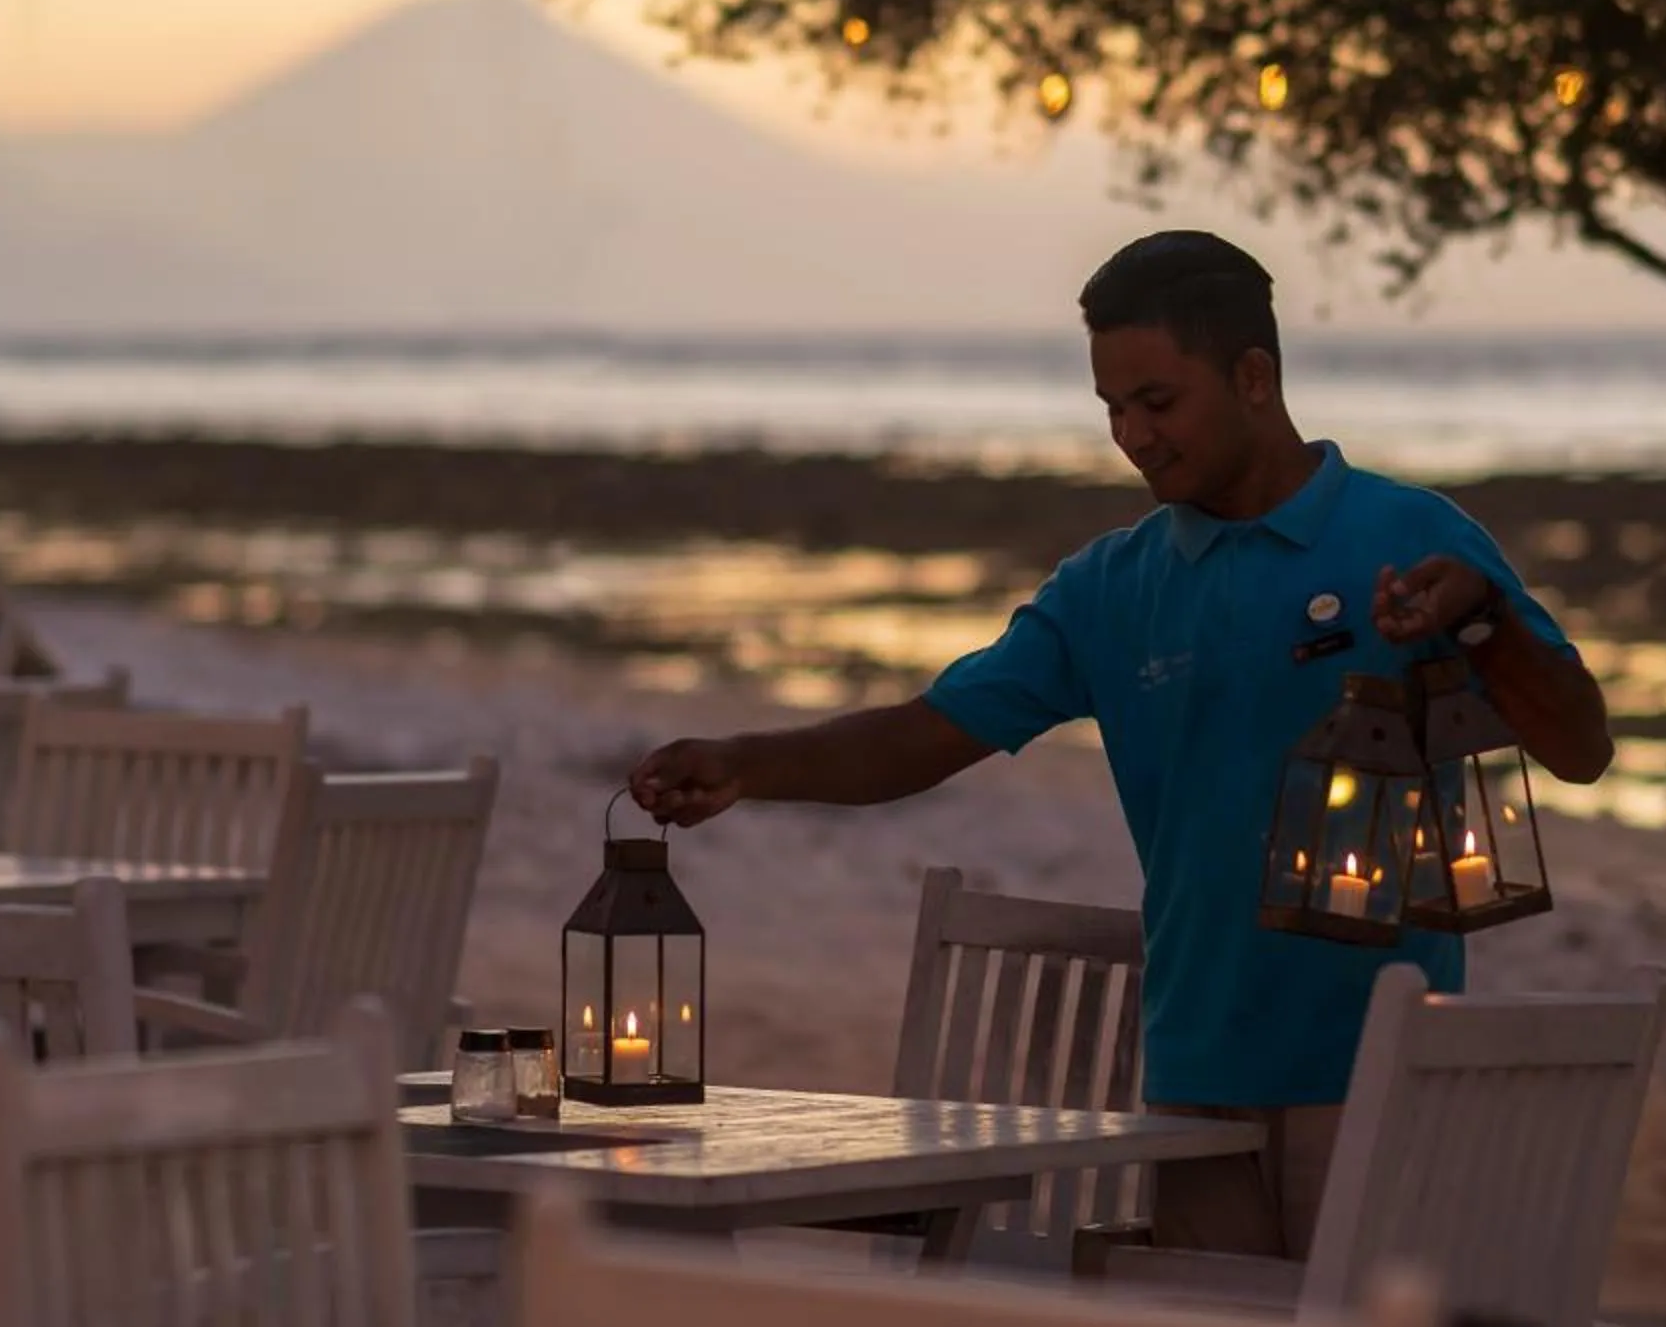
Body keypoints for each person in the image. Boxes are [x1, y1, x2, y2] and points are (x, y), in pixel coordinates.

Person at [629, 231, 1613, 1256]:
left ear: (1254, 376)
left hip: (1380, 1072)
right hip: (1192, 1077)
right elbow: (923, 735)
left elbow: (1582, 747)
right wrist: (746, 762)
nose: (1133, 435)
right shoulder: (1110, 588)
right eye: (1112, 409)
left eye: (1158, 401)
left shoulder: (1411, 536)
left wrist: (1486, 623)